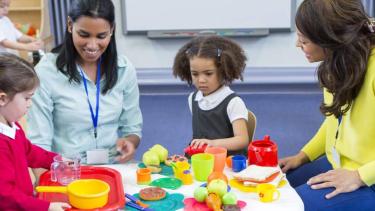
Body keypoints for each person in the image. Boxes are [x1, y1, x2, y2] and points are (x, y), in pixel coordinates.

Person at [279, 0, 375, 210]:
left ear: (330, 39)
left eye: (304, 40)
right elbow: (335, 120)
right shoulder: (338, 63)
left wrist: (360, 176)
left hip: (369, 177)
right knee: (280, 186)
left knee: (290, 205)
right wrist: (303, 156)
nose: (298, 45)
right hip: (341, 162)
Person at [27, 0, 142, 168]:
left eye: (101, 36)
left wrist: (130, 142)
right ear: (69, 25)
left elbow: (132, 127)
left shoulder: (123, 69)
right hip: (67, 171)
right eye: (84, 35)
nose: (92, 45)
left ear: (112, 30)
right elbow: (39, 141)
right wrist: (48, 183)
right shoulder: (46, 72)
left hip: (113, 167)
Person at [0, 53, 70, 211]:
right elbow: (5, 197)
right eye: (27, 98)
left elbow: (29, 152)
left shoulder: (13, 126)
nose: (30, 104)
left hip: (25, 202)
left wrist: (57, 160)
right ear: (2, 99)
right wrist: (45, 206)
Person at [173, 35, 249, 155]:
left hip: (228, 164)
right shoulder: (193, 99)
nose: (201, 80)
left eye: (208, 73)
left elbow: (242, 140)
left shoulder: (233, 102)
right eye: (195, 74)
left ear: (223, 70)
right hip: (203, 161)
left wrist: (212, 143)